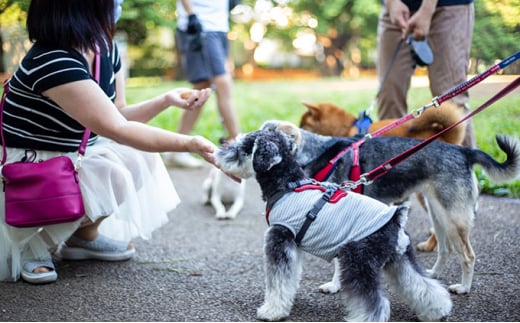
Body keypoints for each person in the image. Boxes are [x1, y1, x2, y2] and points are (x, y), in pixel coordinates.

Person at [0, 0, 218, 284]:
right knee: (113, 168)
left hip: (71, 153)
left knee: (135, 158)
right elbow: (117, 128)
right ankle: (33, 244)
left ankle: (82, 237)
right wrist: (190, 143)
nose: (119, 4)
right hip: (29, 164)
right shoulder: (52, 60)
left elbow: (118, 114)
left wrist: (166, 100)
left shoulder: (104, 47)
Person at [376, 0, 476, 147]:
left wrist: (426, 10)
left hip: (448, 6)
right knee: (389, 97)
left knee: (451, 100)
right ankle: (391, 167)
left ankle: (465, 167)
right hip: (396, 11)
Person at [164, 0, 241, 168]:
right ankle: (239, 147)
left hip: (219, 26)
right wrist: (191, 14)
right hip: (202, 25)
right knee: (223, 83)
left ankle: (175, 150)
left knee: (201, 89)